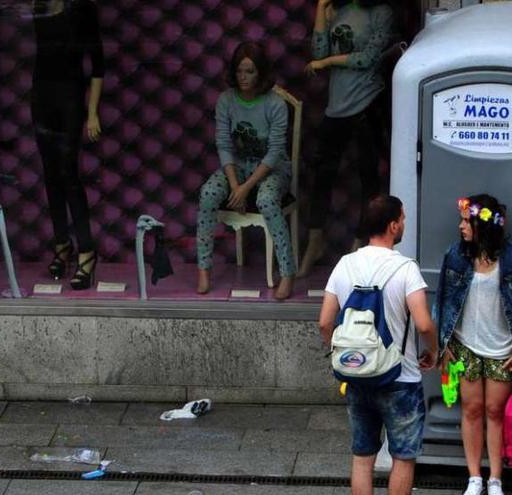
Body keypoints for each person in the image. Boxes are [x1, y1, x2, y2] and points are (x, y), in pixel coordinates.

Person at [319, 194, 438, 495]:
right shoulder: (406, 269)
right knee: (403, 458)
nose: (404, 224)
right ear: (393, 225)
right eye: (403, 219)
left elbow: (324, 322)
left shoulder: (345, 264)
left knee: (362, 458)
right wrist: (434, 352)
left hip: (358, 375)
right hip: (401, 377)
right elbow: (424, 324)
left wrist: (337, 351)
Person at [432, 194, 512, 495]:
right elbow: (441, 302)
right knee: (471, 410)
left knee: (494, 411)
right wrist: (443, 347)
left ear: (484, 225)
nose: (461, 227)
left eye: (467, 222)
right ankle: (474, 478)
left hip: (502, 349)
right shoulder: (455, 255)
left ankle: (495, 478)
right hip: (465, 345)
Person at [299, 0, 395, 277]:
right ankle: (315, 242)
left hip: (367, 103)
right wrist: (321, 9)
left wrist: (327, 61)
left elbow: (368, 58)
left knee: (369, 177)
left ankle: (362, 243)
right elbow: (318, 51)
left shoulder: (381, 12)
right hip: (337, 106)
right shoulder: (339, 11)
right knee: (321, 174)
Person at [196, 42, 296, 300]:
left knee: (266, 199)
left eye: (250, 71)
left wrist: (245, 190)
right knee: (208, 194)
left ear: (261, 72)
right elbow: (224, 144)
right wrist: (234, 184)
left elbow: (274, 152)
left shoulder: (275, 104)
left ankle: (287, 272)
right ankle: (203, 268)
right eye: (240, 71)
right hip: (237, 169)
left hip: (271, 169)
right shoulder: (226, 100)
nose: (244, 77)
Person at [32, 0, 104, 290]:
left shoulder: (82, 8)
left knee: (68, 173)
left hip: (71, 96)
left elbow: (98, 63)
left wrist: (92, 112)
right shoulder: (39, 5)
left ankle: (87, 250)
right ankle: (62, 243)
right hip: (41, 95)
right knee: (50, 175)